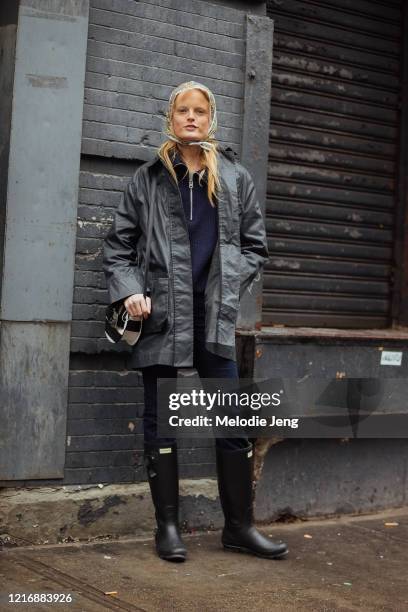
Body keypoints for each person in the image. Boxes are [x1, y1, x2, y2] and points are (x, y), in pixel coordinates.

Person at [103, 81, 288, 563]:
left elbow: (255, 248)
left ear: (211, 118)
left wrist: (228, 283)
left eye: (200, 111)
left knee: (232, 418)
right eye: (183, 110)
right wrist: (129, 291)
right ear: (171, 117)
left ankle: (239, 528)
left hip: (212, 317)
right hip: (163, 315)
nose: (191, 118)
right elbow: (119, 247)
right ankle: (168, 529)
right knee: (161, 419)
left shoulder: (234, 177)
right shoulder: (147, 179)